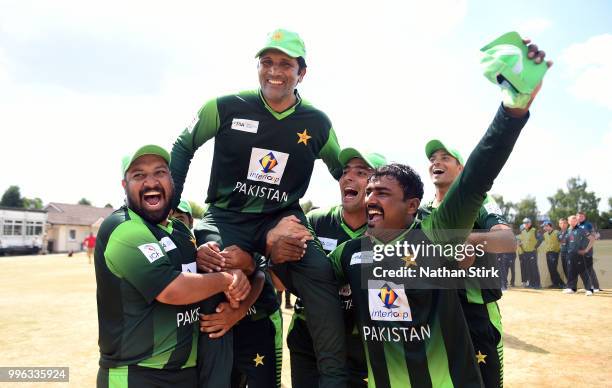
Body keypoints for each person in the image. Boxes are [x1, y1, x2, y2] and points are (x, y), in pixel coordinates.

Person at [170, 29, 348, 386]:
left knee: (319, 273)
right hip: (225, 217)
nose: (274, 71)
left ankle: (334, 379)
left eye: (285, 64)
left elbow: (343, 172)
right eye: (267, 62)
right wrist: (172, 207)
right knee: (214, 263)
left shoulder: (317, 123)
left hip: (282, 219)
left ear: (302, 73)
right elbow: (182, 145)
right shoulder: (225, 106)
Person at [94, 145, 250, 387]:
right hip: (137, 374)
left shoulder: (181, 231)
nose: (151, 182)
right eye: (138, 175)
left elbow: (188, 271)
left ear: (171, 180)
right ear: (125, 186)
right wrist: (228, 279)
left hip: (186, 373)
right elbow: (172, 289)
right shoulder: (123, 228)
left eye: (159, 172)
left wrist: (203, 257)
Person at [269, 148, 387, 388]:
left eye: (361, 172)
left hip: (360, 346)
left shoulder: (389, 231)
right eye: (345, 172)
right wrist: (277, 258)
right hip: (308, 340)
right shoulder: (314, 221)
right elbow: (279, 283)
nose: (348, 178)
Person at [422, 139, 515, 388]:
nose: (436, 162)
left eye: (445, 157)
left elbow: (507, 240)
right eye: (432, 159)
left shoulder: (481, 202)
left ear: (461, 169)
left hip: (477, 313)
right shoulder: (422, 211)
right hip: (437, 314)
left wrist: (470, 240)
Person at [563, 215, 595, 295]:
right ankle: (572, 288)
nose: (573, 222)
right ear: (568, 221)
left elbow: (592, 239)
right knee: (571, 272)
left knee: (583, 272)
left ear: (577, 221)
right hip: (570, 255)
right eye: (571, 220)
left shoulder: (582, 230)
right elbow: (567, 242)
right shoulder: (568, 230)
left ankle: (589, 289)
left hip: (579, 255)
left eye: (574, 220)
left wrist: (586, 250)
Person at [577, 211, 600, 292]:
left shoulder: (588, 224)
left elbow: (594, 235)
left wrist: (595, 236)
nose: (580, 217)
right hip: (579, 250)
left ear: (584, 217)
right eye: (579, 216)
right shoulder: (577, 225)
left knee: (589, 268)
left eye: (582, 216)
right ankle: (588, 286)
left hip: (587, 250)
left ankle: (596, 287)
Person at [517, 217, 541, 288]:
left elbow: (541, 238)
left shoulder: (534, 230)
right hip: (525, 253)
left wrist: (535, 247)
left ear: (530, 223)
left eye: (527, 223)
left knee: (534, 268)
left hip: (532, 252)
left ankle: (537, 284)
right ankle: (531, 283)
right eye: (524, 223)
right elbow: (522, 241)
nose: (526, 224)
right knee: (528, 269)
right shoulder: (523, 232)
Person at [541, 220, 564, 288]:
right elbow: (539, 240)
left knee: (553, 268)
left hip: (554, 253)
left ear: (549, 226)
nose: (544, 228)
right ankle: (555, 284)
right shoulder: (545, 234)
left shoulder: (556, 232)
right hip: (548, 253)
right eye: (543, 227)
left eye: (545, 226)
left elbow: (561, 239)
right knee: (550, 269)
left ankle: (561, 283)